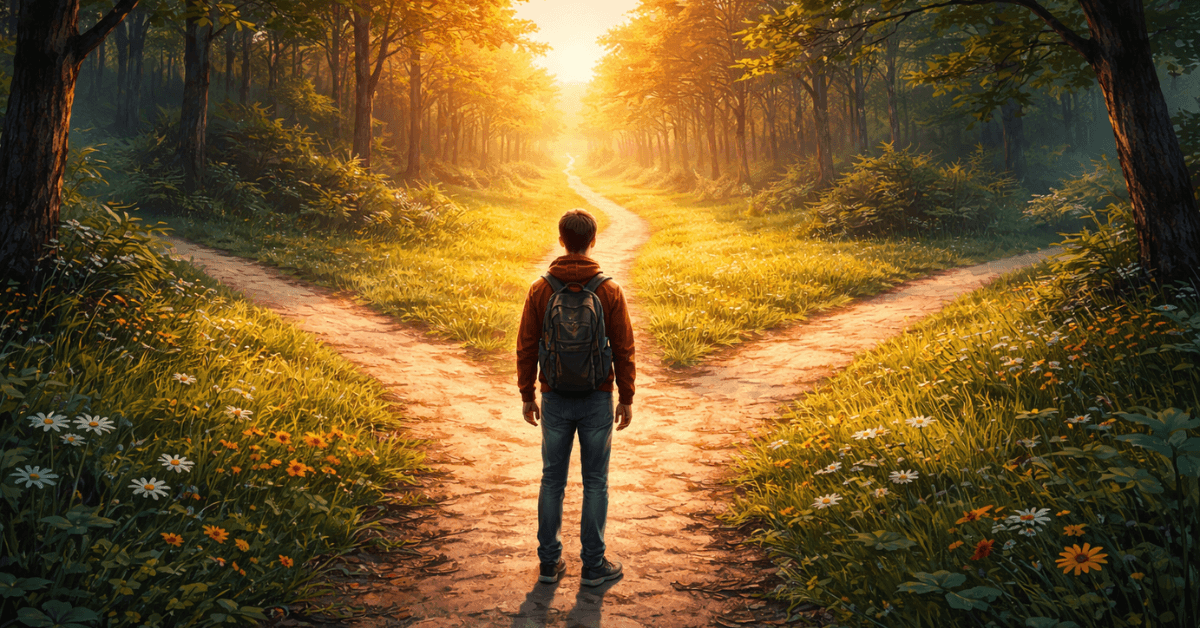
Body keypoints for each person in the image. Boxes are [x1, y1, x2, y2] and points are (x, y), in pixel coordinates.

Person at [516, 208, 636, 587]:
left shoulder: (540, 288)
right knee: (595, 481)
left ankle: (549, 565)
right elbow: (624, 347)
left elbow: (526, 346)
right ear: (593, 240)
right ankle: (593, 566)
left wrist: (528, 394)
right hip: (597, 396)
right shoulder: (609, 289)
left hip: (554, 397)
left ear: (561, 239)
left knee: (552, 479)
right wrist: (626, 396)